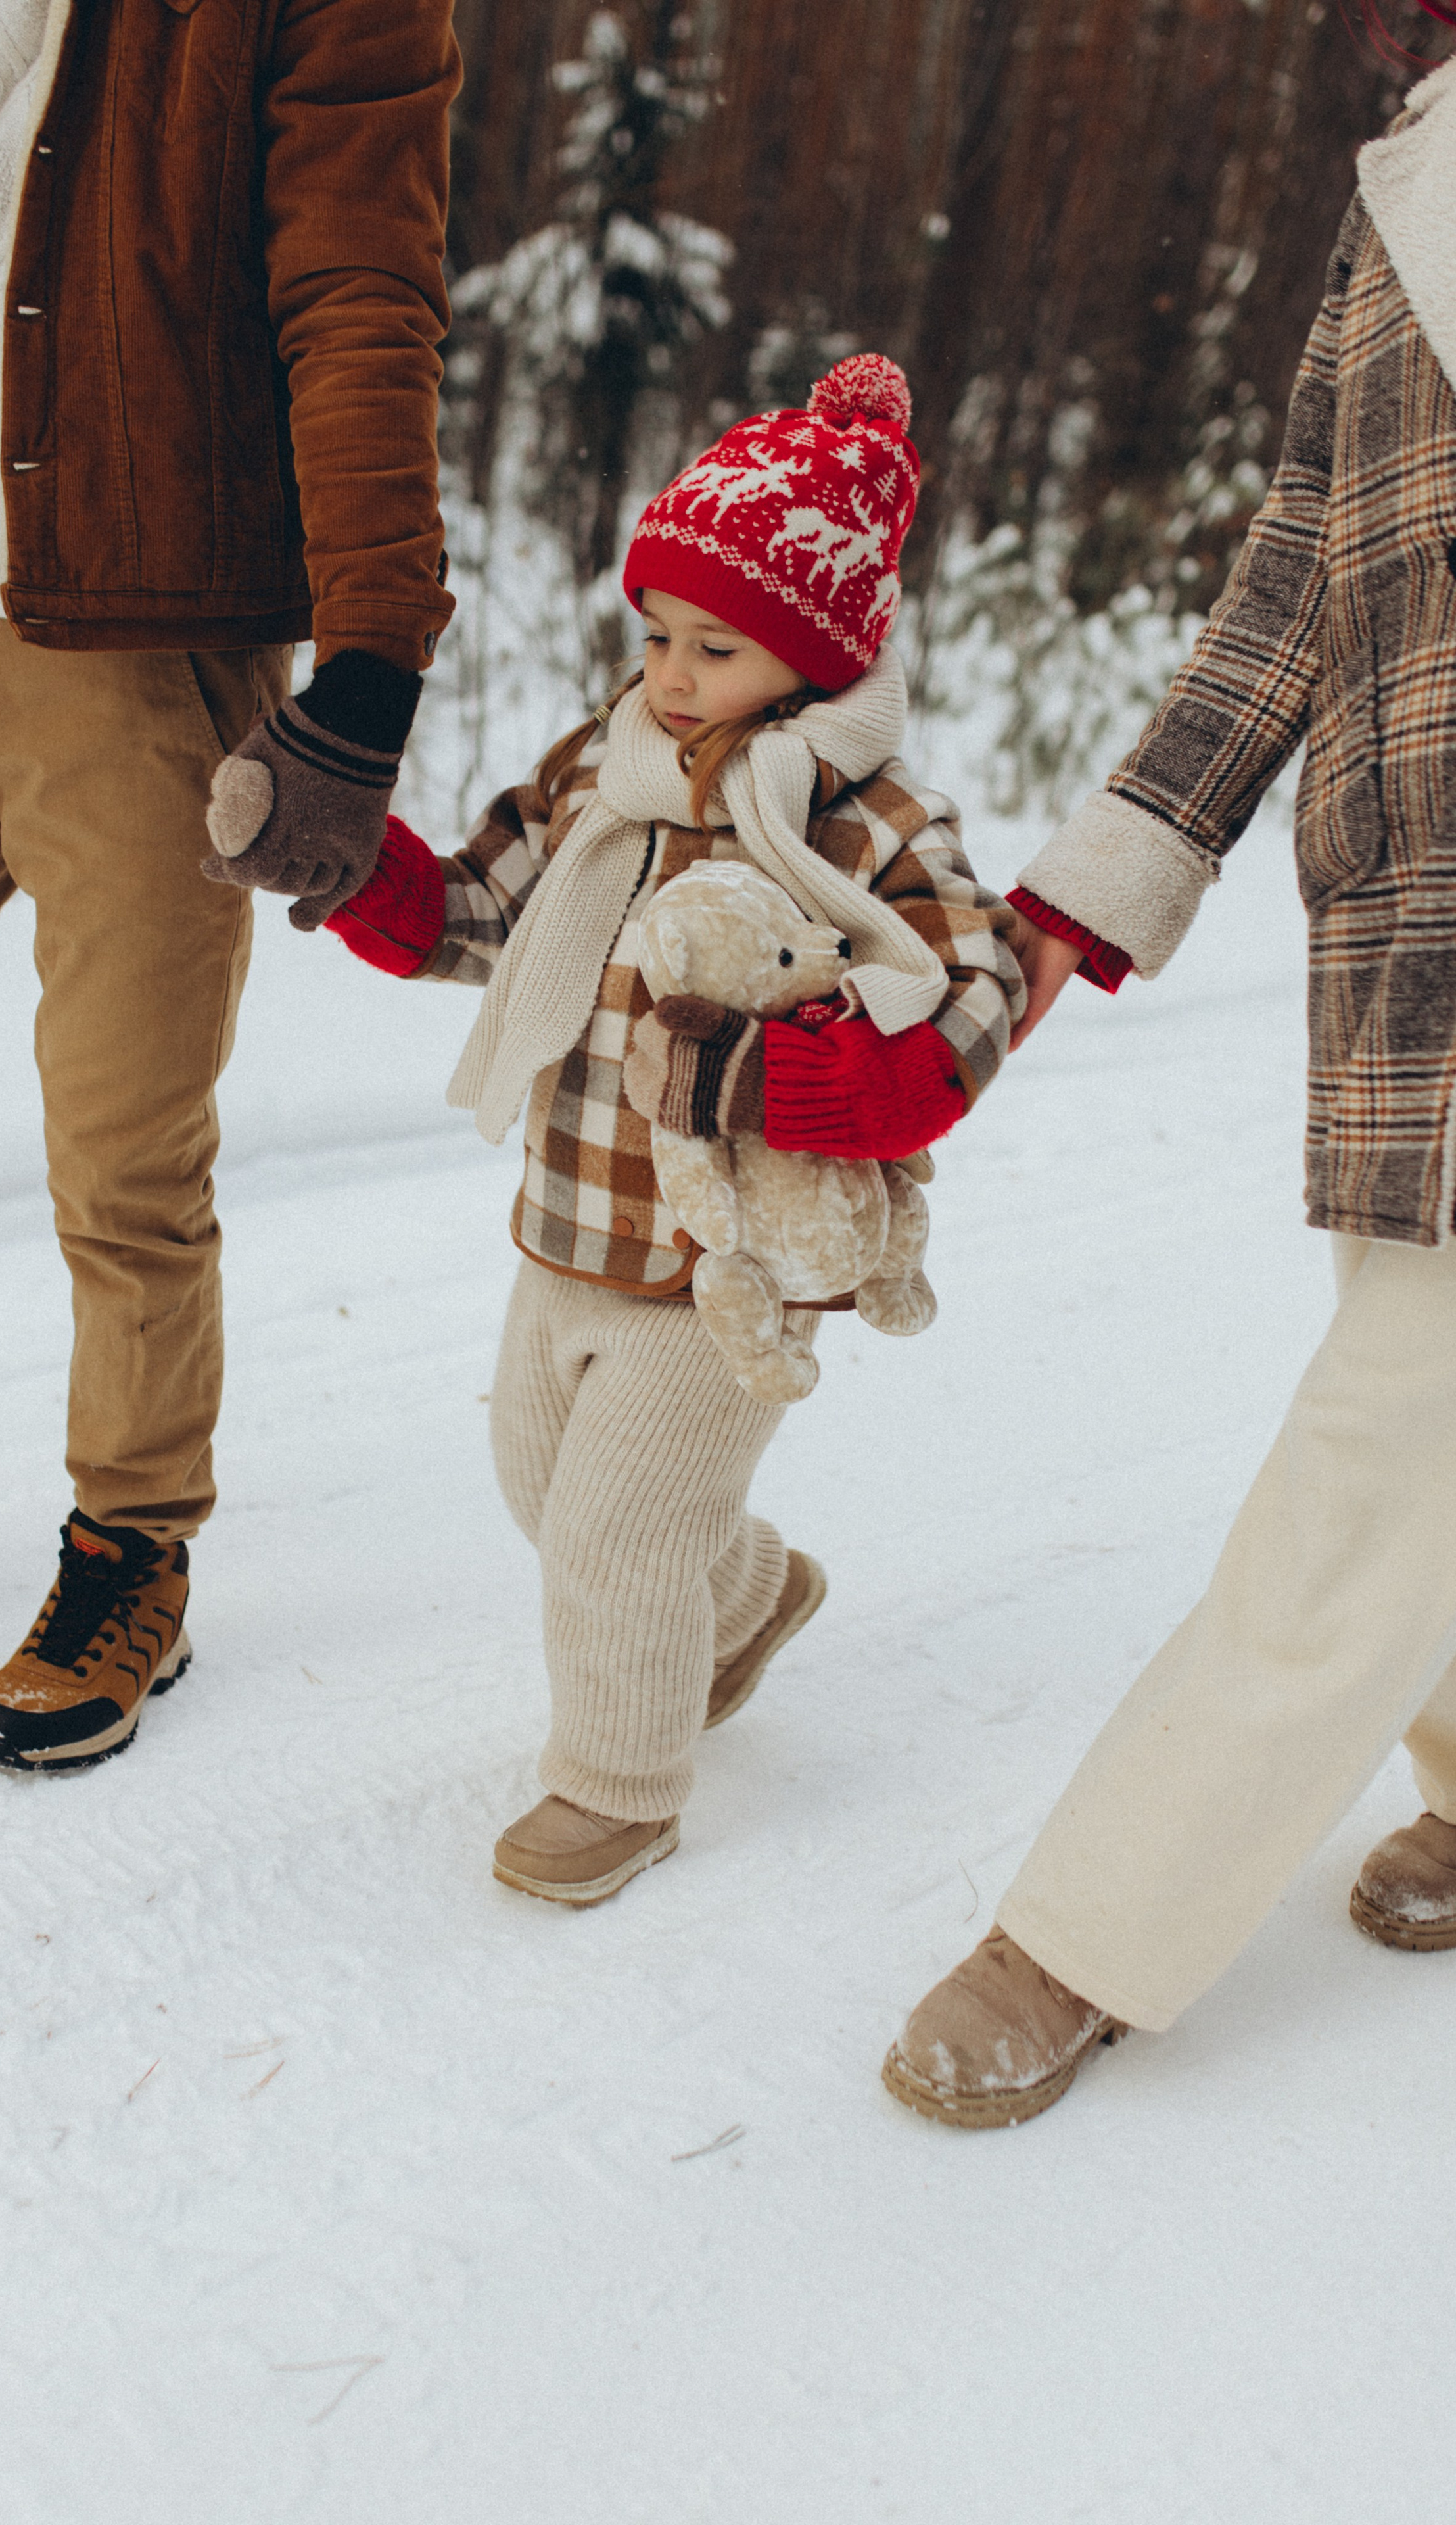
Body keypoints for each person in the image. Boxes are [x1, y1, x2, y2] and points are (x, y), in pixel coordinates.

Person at [0, 0, 457, 1771]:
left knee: (123, 1150)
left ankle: (129, 1543)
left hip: (145, 648)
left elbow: (359, 287)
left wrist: (369, 663)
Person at [883, 51, 1456, 2128]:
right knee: (1421, 1370)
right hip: (1426, 889)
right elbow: (1298, 571)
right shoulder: (1414, 161)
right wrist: (1101, 883)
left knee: (1402, 1409)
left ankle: (1093, 1928)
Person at [309, 357, 1025, 1904]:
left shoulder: (869, 821)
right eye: (655, 637)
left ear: (818, 660)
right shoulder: (600, 770)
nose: (673, 676)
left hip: (729, 1262)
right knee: (536, 1484)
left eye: (716, 645)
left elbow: (972, 991)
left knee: (616, 1542)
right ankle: (752, 1592)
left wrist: (820, 1080)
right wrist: (369, 876)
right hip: (569, 1217)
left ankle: (619, 1786)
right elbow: (489, 907)